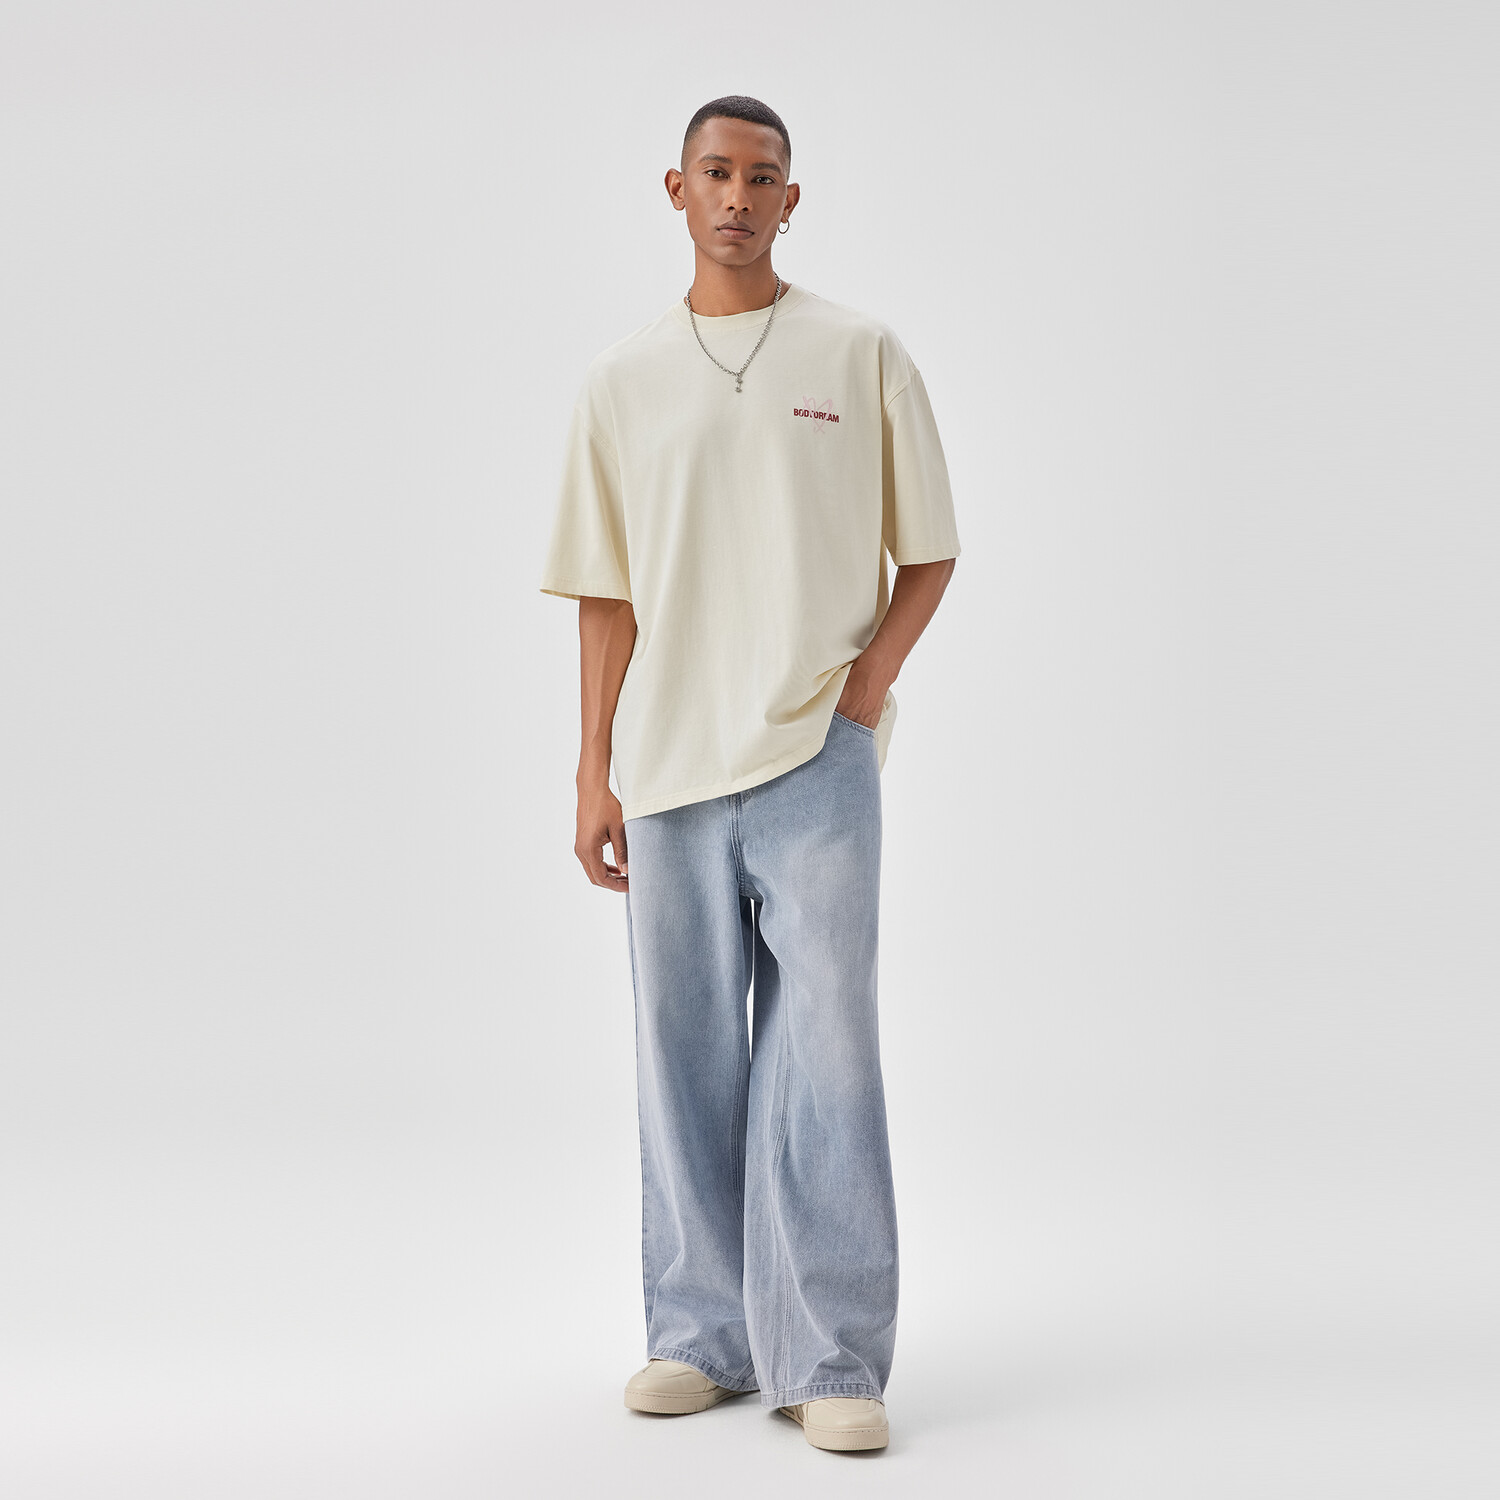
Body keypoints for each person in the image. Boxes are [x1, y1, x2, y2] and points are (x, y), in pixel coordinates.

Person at [538, 94, 960, 1453]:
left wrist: (862, 693)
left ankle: (831, 1356)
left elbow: (930, 549)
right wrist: (592, 768)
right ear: (676, 189)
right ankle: (701, 1337)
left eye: (761, 176)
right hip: (664, 765)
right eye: (715, 172)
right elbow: (606, 593)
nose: (737, 195)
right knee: (684, 1054)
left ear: (791, 197)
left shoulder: (858, 351)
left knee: (826, 1053)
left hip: (814, 759)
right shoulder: (622, 381)